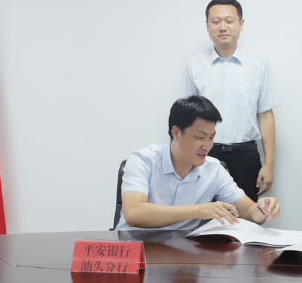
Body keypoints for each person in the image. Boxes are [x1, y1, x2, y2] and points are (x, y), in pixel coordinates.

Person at [115, 95, 280, 231]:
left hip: (180, 252)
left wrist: (263, 209)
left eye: (211, 137)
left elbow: (249, 212)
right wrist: (198, 210)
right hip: (133, 249)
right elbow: (134, 213)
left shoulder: (214, 169)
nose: (207, 146)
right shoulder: (142, 160)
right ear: (176, 132)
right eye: (200, 137)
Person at [177, 0, 280, 202]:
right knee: (202, 215)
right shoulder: (194, 66)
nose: (223, 27)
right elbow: (184, 117)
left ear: (241, 24)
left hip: (246, 156)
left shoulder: (258, 65)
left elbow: (266, 115)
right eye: (216, 21)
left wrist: (269, 165)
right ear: (207, 25)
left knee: (247, 216)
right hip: (204, 154)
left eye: (229, 21)